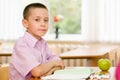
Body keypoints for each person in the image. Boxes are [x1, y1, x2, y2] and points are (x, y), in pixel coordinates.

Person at [9, 3, 65, 80]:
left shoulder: (42, 42)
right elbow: (37, 72)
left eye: (46, 20)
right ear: (25, 23)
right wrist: (53, 64)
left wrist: (49, 69)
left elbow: (60, 63)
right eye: (37, 20)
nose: (43, 24)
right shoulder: (21, 44)